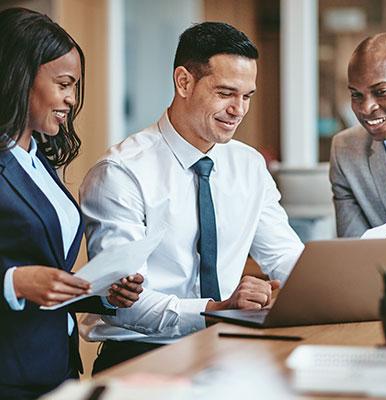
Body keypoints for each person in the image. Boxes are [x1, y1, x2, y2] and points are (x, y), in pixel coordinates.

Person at [80, 21, 304, 374]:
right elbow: (124, 303)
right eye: (226, 93)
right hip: (142, 359)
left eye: (247, 96)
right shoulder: (121, 172)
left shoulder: (249, 166)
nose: (239, 110)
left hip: (229, 351)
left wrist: (327, 288)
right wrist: (217, 309)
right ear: (184, 82)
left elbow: (285, 256)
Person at [0, 8, 144, 400]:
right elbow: (24, 274)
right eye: (64, 84)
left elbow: (45, 265)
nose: (71, 99)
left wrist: (100, 291)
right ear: (19, 76)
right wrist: (14, 282)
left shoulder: (36, 159)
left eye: (75, 86)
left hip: (56, 365)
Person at [330, 33, 386, 237]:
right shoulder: (345, 150)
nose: (366, 108)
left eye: (381, 91)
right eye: (356, 95)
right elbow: (354, 247)